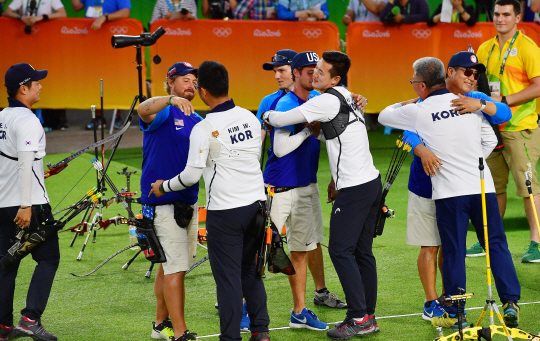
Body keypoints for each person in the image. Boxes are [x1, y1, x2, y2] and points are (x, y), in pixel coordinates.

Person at [378, 57, 521, 329]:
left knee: (454, 251)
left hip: (449, 193)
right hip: (482, 189)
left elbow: (384, 115)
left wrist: (410, 104)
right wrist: (469, 158)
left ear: (421, 86)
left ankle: (457, 312)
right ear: (447, 75)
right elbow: (491, 139)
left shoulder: (419, 110)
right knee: (496, 244)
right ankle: (511, 302)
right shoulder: (470, 105)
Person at [262, 51, 381, 340]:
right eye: (314, 69)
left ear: (335, 78)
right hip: (370, 183)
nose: (316, 74)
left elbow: (280, 120)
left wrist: (264, 115)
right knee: (362, 252)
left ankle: (358, 316)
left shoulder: (326, 100)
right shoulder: (347, 97)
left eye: (321, 71)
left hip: (353, 189)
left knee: (341, 250)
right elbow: (331, 135)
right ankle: (368, 315)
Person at [151, 61, 271, 341]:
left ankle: (230, 337)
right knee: (250, 272)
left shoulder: (204, 128)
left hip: (226, 212)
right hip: (256, 206)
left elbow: (191, 176)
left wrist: (163, 186)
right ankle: (261, 332)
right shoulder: (251, 118)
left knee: (228, 279)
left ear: (203, 92)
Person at [470, 0, 540, 263]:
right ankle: (489, 239)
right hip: (490, 130)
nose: (500, 19)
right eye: (497, 14)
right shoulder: (485, 48)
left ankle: (537, 242)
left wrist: (506, 102)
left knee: (529, 188)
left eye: (506, 14)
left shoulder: (528, 48)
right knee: (492, 188)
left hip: (521, 128)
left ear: (518, 17)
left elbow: (539, 85)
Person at [137, 62, 200, 341]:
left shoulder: (197, 119)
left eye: (194, 82)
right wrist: (171, 100)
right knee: (176, 268)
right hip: (162, 203)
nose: (191, 85)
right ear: (170, 82)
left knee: (169, 265)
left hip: (186, 201)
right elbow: (142, 109)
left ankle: (160, 324)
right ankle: (179, 332)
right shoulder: (163, 111)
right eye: (185, 80)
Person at [0, 63, 58, 341]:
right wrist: (26, 205)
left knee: (6, 263)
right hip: (29, 204)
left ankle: (2, 327)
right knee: (48, 258)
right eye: (36, 82)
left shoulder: (3, 117)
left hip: (2, 202)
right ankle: (30, 318)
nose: (40, 85)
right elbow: (24, 162)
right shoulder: (27, 121)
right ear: (23, 88)